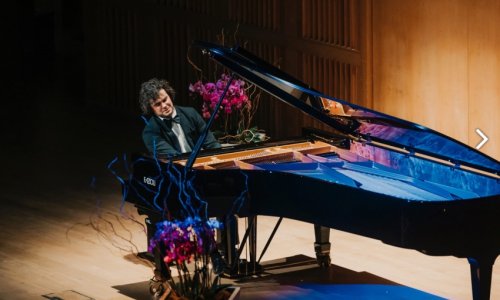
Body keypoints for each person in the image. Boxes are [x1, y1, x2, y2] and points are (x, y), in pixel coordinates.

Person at [139, 78, 220, 157]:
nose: (164, 106)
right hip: (175, 169)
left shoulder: (191, 113)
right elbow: (174, 158)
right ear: (150, 108)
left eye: (165, 100)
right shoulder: (150, 132)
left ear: (170, 95)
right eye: (157, 104)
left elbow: (211, 143)